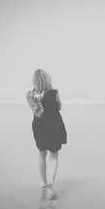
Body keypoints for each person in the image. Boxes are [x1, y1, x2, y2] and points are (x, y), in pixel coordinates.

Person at [26, 69, 67, 199]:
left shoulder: (29, 95)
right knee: (53, 156)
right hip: (54, 125)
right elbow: (59, 107)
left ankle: (43, 182)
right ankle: (51, 184)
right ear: (46, 79)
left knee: (41, 155)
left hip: (39, 126)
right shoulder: (54, 92)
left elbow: (35, 111)